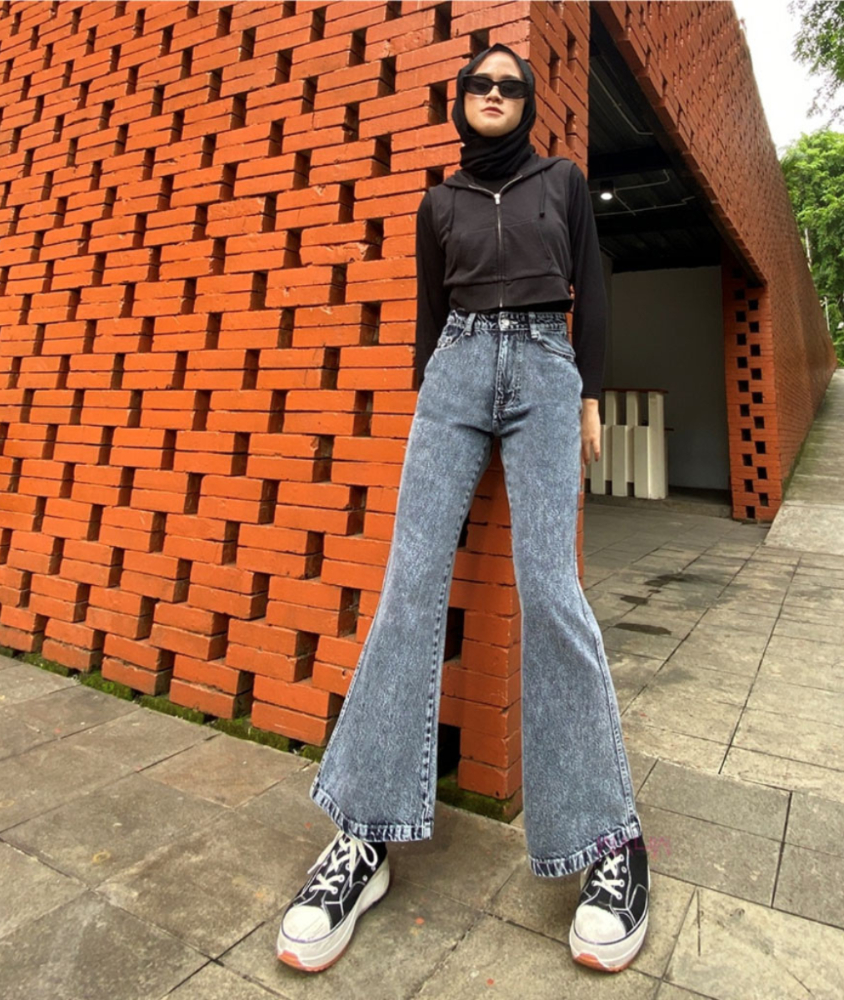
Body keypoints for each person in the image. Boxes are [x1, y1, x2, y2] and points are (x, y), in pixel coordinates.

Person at [275, 42, 649, 976]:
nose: (493, 93)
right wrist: (429, 406)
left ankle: (609, 840)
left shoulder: (562, 183)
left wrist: (591, 394)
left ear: (527, 103)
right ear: (461, 99)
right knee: (410, 585)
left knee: (550, 588)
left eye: (509, 86)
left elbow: (593, 288)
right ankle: (364, 837)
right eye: (479, 83)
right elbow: (427, 314)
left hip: (546, 366)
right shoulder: (438, 203)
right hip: (454, 371)